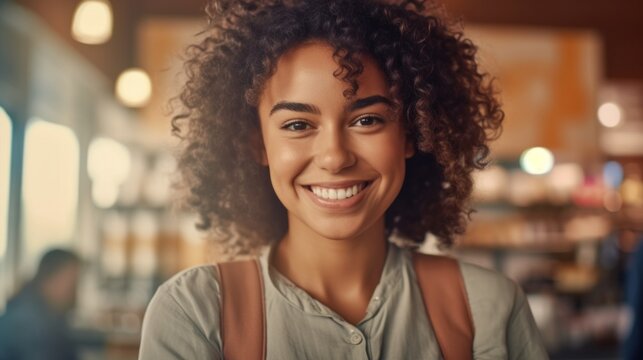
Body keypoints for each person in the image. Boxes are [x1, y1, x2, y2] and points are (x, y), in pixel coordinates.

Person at [139, 0, 549, 358]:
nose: (335, 157)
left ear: (411, 133)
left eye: (367, 120)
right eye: (298, 125)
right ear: (257, 145)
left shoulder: (489, 309)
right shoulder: (194, 312)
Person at [0, 249, 81, 360]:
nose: (75, 293)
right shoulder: (27, 323)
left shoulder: (47, 314)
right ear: (53, 279)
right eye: (72, 284)